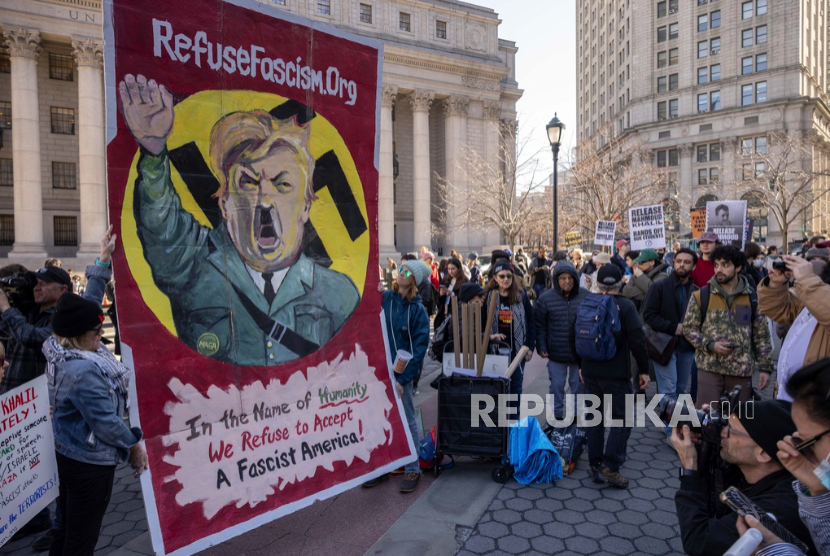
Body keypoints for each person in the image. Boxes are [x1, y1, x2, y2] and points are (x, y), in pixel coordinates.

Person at [120, 74, 359, 366]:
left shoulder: (340, 296)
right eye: (247, 183)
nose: (264, 199)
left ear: (306, 206)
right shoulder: (193, 268)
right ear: (225, 202)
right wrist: (154, 150)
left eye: (282, 185)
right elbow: (162, 225)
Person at [44, 293, 148, 556]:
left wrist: (102, 260)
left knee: (66, 528)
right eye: (96, 330)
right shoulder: (84, 370)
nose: (102, 333)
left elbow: (81, 303)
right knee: (81, 540)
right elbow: (106, 423)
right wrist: (133, 446)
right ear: (78, 334)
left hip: (68, 451)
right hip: (89, 464)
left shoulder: (57, 350)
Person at [672, 399, 816, 556]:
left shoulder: (774, 510)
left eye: (731, 431)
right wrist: (704, 441)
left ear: (763, 454)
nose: (722, 433)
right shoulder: (754, 473)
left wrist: (690, 468)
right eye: (725, 424)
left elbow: (699, 541)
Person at [736, 359, 830, 555]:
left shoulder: (780, 503)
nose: (803, 453)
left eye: (807, 443)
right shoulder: (818, 488)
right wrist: (818, 491)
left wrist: (774, 550)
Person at [582, 265, 649, 488]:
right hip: (617, 374)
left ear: (597, 283)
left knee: (594, 418)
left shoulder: (588, 303)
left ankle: (595, 463)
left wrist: (581, 366)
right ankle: (610, 466)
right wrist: (644, 370)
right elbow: (638, 341)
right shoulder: (626, 306)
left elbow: (575, 334)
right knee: (624, 419)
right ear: (621, 281)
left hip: (590, 372)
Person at [366, 259, 430, 493]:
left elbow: (419, 349)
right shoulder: (388, 298)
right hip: (379, 370)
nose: (400, 273)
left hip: (401, 374)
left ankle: (413, 468)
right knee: (379, 418)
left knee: (406, 419)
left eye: (406, 271)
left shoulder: (418, 310)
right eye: (400, 269)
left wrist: (403, 380)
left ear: (414, 279)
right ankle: (382, 467)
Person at [682, 245, 773, 406]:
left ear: (738, 267)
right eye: (716, 265)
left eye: (725, 265)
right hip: (709, 369)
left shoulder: (752, 297)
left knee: (738, 425)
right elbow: (689, 329)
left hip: (741, 371)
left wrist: (765, 368)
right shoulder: (701, 295)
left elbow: (761, 334)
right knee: (707, 423)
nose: (719, 269)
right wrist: (710, 345)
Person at [757, 255, 830, 401]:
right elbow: (777, 309)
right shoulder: (816, 293)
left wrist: (807, 279)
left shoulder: (815, 290)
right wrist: (775, 284)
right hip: (789, 397)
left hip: (816, 406)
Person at [643, 248, 698, 407]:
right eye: (679, 261)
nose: (682, 265)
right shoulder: (659, 287)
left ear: (693, 266)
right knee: (668, 388)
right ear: (673, 262)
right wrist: (673, 327)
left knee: (680, 388)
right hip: (664, 345)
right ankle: (669, 430)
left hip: (686, 347)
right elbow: (649, 315)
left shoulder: (696, 291)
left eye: (687, 262)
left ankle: (675, 423)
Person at [535, 260, 589, 421]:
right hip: (555, 351)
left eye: (570, 278)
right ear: (556, 280)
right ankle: (556, 416)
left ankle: (576, 417)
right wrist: (541, 345)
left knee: (578, 386)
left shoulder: (585, 296)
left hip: (578, 354)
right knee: (557, 387)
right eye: (563, 278)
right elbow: (540, 325)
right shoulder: (545, 298)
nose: (567, 281)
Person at [487, 259, 535, 404]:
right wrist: (489, 338)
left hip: (517, 350)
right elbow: (483, 322)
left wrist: (530, 347)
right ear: (495, 277)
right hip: (495, 350)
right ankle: (500, 424)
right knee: (497, 389)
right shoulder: (488, 296)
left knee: (515, 388)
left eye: (509, 276)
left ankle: (513, 424)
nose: (506, 279)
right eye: (502, 276)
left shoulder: (521, 295)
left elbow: (531, 320)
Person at [622, 248, 668, 313]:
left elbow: (654, 294)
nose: (638, 265)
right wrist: (645, 293)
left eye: (641, 262)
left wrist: (641, 277)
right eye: (638, 262)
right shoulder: (637, 274)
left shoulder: (663, 276)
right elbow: (626, 291)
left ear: (652, 262)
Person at [435, 258, 467, 330]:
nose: (450, 271)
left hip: (457, 312)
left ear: (459, 269)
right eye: (449, 269)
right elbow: (438, 299)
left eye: (453, 269)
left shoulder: (464, 281)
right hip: (444, 311)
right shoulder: (446, 280)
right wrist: (441, 294)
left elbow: (464, 297)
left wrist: (452, 294)